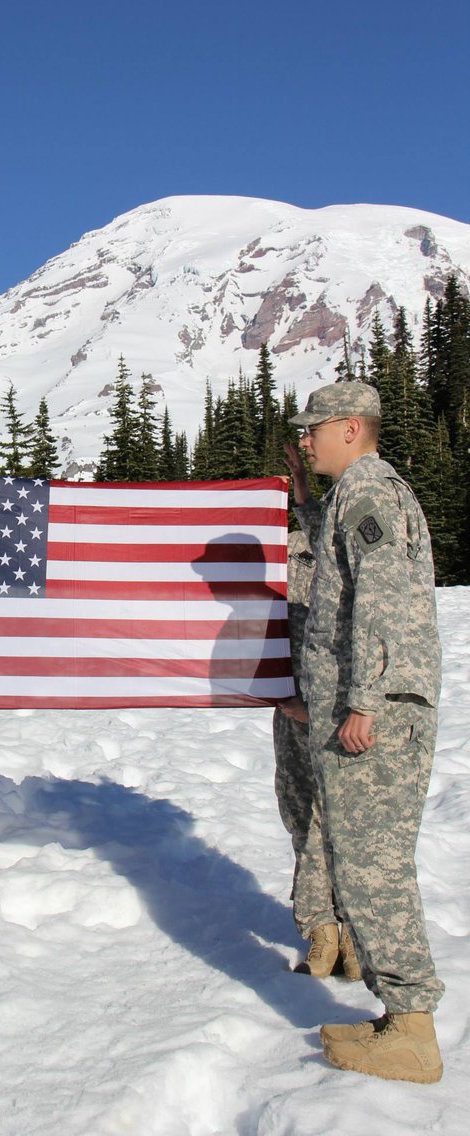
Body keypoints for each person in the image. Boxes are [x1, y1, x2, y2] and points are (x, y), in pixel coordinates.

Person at [284, 380, 444, 1083]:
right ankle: (397, 1019)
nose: (304, 440)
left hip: (375, 716)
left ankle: (412, 1031)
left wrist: (363, 702)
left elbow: (376, 601)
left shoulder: (367, 490)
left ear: (350, 428)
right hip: (357, 706)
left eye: (313, 428)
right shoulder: (353, 493)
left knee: (376, 871)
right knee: (366, 865)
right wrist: (319, 701)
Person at [274, 531, 360, 981]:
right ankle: (321, 930)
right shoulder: (282, 550)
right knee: (302, 816)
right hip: (291, 709)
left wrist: (330, 706)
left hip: (348, 715)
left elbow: (370, 633)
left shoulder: (356, 545)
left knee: (348, 823)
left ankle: (356, 933)